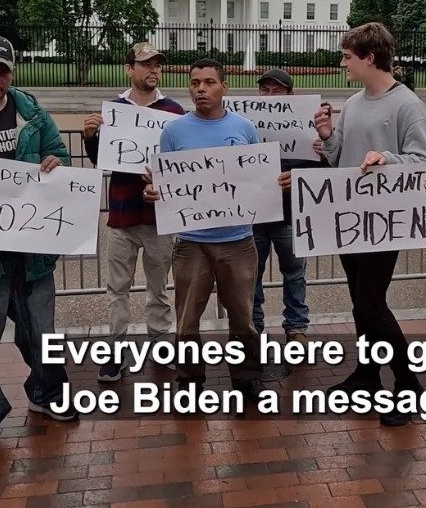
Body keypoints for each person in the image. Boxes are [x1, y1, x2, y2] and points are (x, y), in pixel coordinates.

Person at [313, 23, 426, 426]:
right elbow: (341, 161)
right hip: (351, 220)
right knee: (359, 303)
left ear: (370, 58)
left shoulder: (407, 105)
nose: (343, 61)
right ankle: (367, 376)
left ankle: (408, 385)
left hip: (385, 221)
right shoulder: (352, 103)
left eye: (348, 56)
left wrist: (388, 159)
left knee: (372, 303)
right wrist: (329, 137)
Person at [143, 58, 288, 402]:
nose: (201, 89)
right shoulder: (174, 132)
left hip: (238, 240)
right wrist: (152, 194)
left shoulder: (245, 128)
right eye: (195, 83)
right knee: (187, 319)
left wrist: (276, 185)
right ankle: (190, 378)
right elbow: (164, 185)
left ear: (224, 88)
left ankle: (246, 376)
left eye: (209, 82)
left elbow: (258, 177)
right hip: (191, 242)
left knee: (242, 318)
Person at [0, 34, 78, 459]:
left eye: (3, 71)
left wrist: (57, 162)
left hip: (33, 253)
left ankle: (47, 392)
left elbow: (61, 156)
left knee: (42, 333)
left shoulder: (32, 111)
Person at [83, 43, 185, 382]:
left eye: (157, 64)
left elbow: (183, 163)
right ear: (130, 69)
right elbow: (102, 159)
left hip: (159, 217)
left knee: (159, 288)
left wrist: (164, 177)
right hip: (122, 215)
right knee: (118, 289)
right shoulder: (115, 109)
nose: (152, 69)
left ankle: (160, 342)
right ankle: (115, 350)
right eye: (145, 64)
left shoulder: (174, 111)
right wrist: (90, 137)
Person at [252, 68, 329, 349]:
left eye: (277, 90)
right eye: (265, 90)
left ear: (290, 95)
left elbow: (324, 168)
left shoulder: (308, 128)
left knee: (295, 275)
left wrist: (300, 174)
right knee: (251, 277)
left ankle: (296, 326)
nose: (270, 96)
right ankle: (254, 326)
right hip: (255, 215)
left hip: (291, 216)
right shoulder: (248, 124)